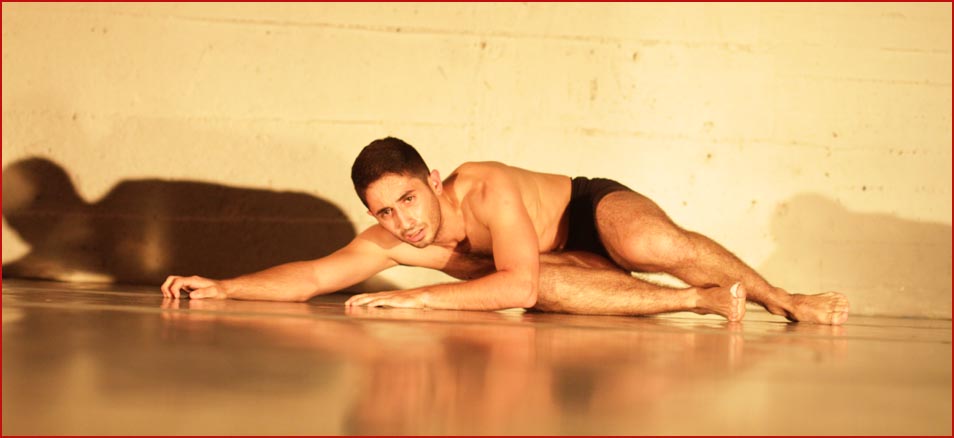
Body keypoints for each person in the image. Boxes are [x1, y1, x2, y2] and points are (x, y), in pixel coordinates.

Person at [161, 137, 850, 324]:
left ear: (434, 180)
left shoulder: (485, 188)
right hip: (559, 266)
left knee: (650, 246)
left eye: (408, 199)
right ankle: (701, 300)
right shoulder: (396, 234)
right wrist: (222, 287)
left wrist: (417, 297)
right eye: (385, 213)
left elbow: (513, 287)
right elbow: (314, 276)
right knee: (542, 283)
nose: (404, 222)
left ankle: (784, 299)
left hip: (587, 212)